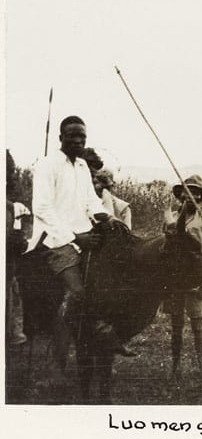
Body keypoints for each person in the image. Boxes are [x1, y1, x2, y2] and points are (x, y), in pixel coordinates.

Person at [25, 116, 134, 359]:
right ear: (61, 137)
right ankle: (100, 333)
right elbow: (42, 209)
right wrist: (75, 237)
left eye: (82, 137)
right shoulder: (47, 165)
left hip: (83, 233)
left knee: (114, 270)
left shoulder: (83, 166)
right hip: (54, 239)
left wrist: (110, 218)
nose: (77, 141)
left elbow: (91, 202)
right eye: (72, 136)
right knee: (77, 292)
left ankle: (109, 329)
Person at [166, 175, 202, 371]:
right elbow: (168, 241)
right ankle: (175, 366)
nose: (191, 195)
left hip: (196, 277)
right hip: (174, 277)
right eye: (187, 191)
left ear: (200, 197)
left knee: (198, 326)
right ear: (180, 194)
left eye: (195, 192)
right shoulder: (171, 215)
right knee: (176, 325)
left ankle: (201, 367)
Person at [6, 150, 30, 347]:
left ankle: (16, 334)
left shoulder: (12, 206)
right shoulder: (10, 207)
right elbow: (15, 241)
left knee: (14, 298)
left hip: (9, 269)